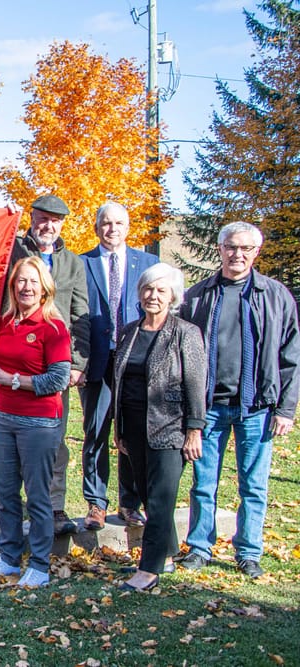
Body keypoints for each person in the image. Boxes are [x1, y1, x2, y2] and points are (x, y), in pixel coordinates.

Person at [178, 221, 299, 579]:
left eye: (246, 249)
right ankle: (200, 547)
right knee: (202, 483)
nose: (238, 255)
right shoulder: (199, 296)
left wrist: (287, 408)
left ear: (256, 253)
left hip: (257, 407)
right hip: (209, 408)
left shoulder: (275, 296)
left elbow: (291, 357)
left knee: (255, 486)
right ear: (220, 249)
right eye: (232, 247)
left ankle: (248, 551)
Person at [0, 194, 89, 536]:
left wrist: (77, 363)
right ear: (32, 219)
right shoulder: (15, 250)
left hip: (56, 365)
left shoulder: (73, 264)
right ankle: (3, 509)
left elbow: (80, 316)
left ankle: (54, 506)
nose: (48, 225)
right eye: (42, 218)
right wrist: (2, 222)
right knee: (2, 433)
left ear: (62, 224)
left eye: (55, 220)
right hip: (12, 355)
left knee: (54, 442)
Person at [0, 257, 72, 588]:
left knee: (37, 496)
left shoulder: (54, 328)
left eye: (33, 281)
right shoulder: (4, 323)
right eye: (21, 281)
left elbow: (58, 380)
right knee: (5, 492)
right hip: (3, 417)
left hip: (39, 423)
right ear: (13, 286)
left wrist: (14, 380)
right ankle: (8, 559)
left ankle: (41, 565)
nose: (26, 287)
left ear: (44, 288)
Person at [112, 263, 205, 591]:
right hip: (133, 426)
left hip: (171, 427)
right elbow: (119, 380)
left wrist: (195, 429)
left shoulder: (186, 333)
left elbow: (196, 383)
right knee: (149, 495)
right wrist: (118, 429)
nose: (153, 295)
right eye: (148, 289)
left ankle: (148, 571)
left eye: (161, 290)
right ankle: (165, 555)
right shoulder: (129, 331)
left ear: (173, 296)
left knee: (162, 497)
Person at [79, 202, 158, 530]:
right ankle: (96, 503)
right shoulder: (82, 264)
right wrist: (78, 361)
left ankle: (130, 502)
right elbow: (75, 316)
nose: (112, 229)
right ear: (97, 228)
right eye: (106, 224)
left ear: (128, 227)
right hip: (97, 361)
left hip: (135, 360)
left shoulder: (148, 264)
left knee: (131, 433)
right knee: (96, 431)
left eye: (119, 223)